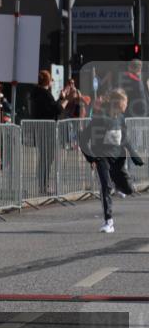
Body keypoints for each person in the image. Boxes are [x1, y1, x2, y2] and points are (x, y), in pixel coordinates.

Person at [81, 89, 144, 233]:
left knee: (129, 189)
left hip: (118, 158)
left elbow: (125, 138)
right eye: (125, 102)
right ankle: (108, 221)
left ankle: (118, 186)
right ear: (118, 103)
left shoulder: (121, 118)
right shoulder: (99, 118)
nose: (127, 105)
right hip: (101, 156)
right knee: (105, 186)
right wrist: (90, 157)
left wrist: (134, 155)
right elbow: (84, 139)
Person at [31, 69, 66, 194]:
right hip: (47, 131)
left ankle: (43, 184)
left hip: (41, 130)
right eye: (50, 79)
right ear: (47, 81)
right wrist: (64, 100)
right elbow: (56, 109)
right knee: (47, 158)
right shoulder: (44, 94)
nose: (52, 81)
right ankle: (43, 185)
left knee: (44, 158)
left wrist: (60, 99)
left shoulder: (37, 93)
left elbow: (51, 107)